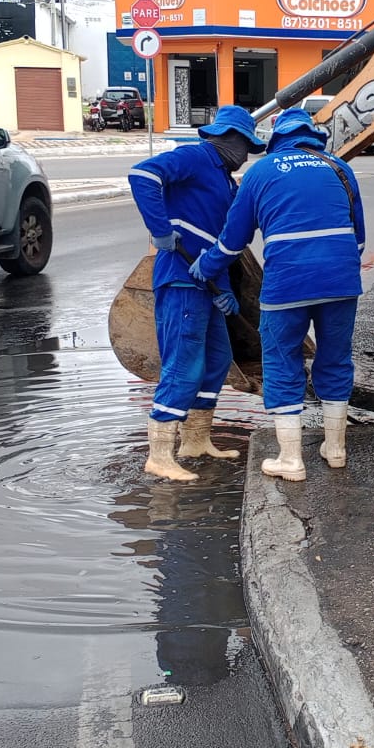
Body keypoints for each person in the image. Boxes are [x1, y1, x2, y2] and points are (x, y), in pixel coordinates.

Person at [190, 107, 364, 482]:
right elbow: (360, 238)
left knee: (282, 361)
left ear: (275, 139)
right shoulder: (339, 168)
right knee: (335, 359)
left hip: (288, 283)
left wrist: (206, 267)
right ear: (313, 136)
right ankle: (335, 450)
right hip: (341, 281)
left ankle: (291, 460)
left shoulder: (261, 173)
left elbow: (234, 241)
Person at [127, 105, 266, 481]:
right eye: (246, 147)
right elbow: (142, 175)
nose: (246, 156)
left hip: (205, 286)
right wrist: (160, 229)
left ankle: (195, 439)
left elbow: (217, 246)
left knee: (218, 361)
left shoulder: (227, 181)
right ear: (229, 140)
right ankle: (159, 455)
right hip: (181, 281)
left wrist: (222, 290)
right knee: (183, 365)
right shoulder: (195, 156)